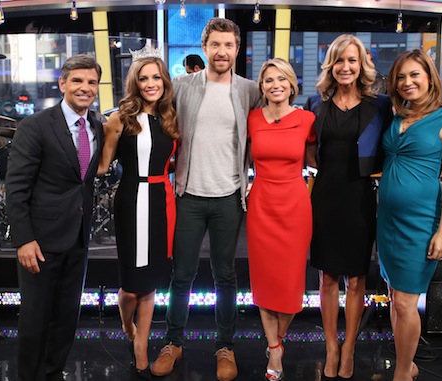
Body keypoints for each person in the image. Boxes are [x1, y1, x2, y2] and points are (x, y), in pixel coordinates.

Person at [150, 17, 262, 381]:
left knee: (225, 275)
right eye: (216, 45)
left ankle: (225, 346)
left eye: (229, 45)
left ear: (237, 49)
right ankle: (173, 342)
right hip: (189, 196)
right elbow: (154, 113)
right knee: (181, 275)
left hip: (229, 197)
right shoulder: (182, 86)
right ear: (205, 47)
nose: (222, 51)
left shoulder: (249, 90)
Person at [5, 54, 103, 381]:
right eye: (77, 81)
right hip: (41, 242)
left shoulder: (97, 127)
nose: (84, 88)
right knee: (35, 319)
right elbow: (16, 188)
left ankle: (54, 372)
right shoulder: (35, 125)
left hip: (78, 239)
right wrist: (24, 239)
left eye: (91, 82)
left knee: (66, 318)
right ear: (62, 83)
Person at [377, 49, 442, 381]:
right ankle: (407, 363)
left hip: (420, 221)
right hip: (387, 221)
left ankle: (403, 372)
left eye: (414, 74)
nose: (407, 82)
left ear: (430, 77)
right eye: (400, 77)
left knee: (405, 302)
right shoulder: (397, 116)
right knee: (393, 296)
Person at [309, 34, 393, 380]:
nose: (346, 67)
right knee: (327, 278)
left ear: (362, 66)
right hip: (325, 198)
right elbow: (309, 153)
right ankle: (331, 346)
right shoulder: (315, 104)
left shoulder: (381, 106)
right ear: (331, 65)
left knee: (356, 281)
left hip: (360, 198)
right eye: (340, 60)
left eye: (352, 61)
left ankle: (350, 348)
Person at [97, 56, 178, 379]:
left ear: (164, 82)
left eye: (156, 78)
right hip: (130, 199)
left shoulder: (170, 119)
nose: (150, 84)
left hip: (161, 200)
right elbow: (102, 166)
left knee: (151, 283)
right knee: (131, 287)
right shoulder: (120, 120)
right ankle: (126, 323)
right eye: (144, 79)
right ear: (135, 83)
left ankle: (141, 345)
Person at [246, 57, 317, 381]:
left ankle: (279, 340)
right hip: (262, 203)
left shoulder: (307, 120)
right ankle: (274, 347)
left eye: (281, 79)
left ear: (292, 84)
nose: (275, 85)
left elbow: (316, 161)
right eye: (268, 80)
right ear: (261, 86)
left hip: (294, 205)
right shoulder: (252, 119)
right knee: (264, 283)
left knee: (289, 287)